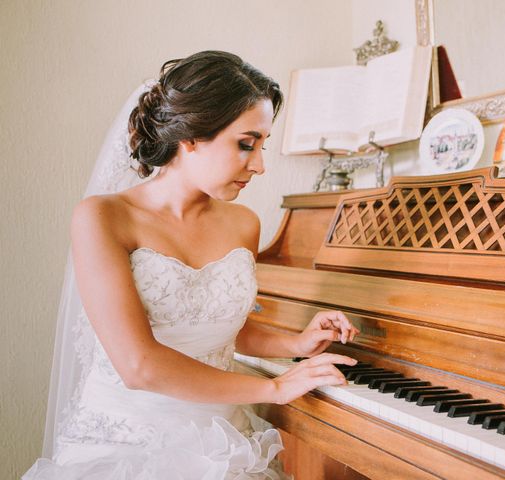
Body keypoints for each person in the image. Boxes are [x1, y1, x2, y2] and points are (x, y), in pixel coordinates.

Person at [24, 50, 359, 479]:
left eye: (262, 145)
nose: (259, 165)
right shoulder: (102, 217)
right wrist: (274, 388)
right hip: (130, 444)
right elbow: (139, 365)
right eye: (245, 144)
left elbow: (222, 326)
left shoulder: (244, 223)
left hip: (221, 439)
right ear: (192, 137)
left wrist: (296, 344)